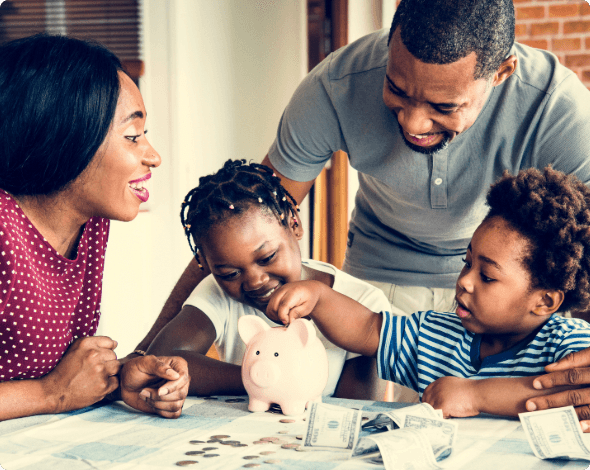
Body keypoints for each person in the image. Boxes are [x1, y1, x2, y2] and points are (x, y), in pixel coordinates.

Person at [135, 0, 590, 408]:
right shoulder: (335, 87)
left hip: (511, 290)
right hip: (379, 283)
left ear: (501, 73)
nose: (413, 122)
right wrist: (145, 351)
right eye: (397, 89)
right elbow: (245, 221)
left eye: (443, 105)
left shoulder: (558, 109)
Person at [265, 166, 590, 425]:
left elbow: (574, 391)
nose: (465, 282)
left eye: (487, 276)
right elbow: (367, 329)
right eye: (467, 263)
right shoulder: (437, 334)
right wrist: (320, 298)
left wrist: (473, 395)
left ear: (545, 301)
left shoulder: (568, 346)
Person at [0, 34, 189, 421]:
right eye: (132, 136)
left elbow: (62, 374)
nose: (153, 156)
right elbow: (53, 387)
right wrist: (49, 394)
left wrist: (118, 379)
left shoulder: (91, 223)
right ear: (65, 138)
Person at [145, 159, 394, 399]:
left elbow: (354, 408)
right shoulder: (218, 290)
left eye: (267, 257)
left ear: (294, 224)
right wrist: (257, 379)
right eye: (230, 273)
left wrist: (269, 379)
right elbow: (160, 360)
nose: (255, 281)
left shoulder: (365, 302)